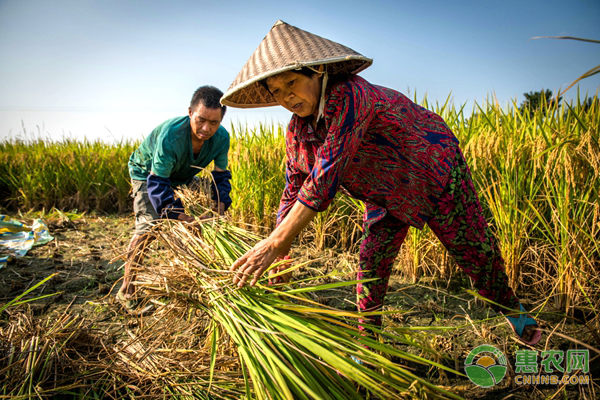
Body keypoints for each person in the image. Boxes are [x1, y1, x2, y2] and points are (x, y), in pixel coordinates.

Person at [222, 21, 542, 345]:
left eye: (291, 82)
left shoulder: (350, 94)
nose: (286, 97)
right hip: (385, 194)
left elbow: (325, 176)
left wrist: (277, 241)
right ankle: (368, 343)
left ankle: (513, 310)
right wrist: (282, 253)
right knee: (370, 265)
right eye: (276, 91)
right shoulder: (297, 131)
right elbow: (294, 186)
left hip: (434, 169)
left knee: (474, 251)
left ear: (317, 70)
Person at [116, 85, 232, 312]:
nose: (206, 128)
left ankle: (207, 278)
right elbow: (158, 184)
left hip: (183, 175)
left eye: (214, 123)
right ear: (190, 112)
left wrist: (219, 206)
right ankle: (127, 289)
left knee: (208, 220)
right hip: (148, 174)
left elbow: (221, 177)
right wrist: (179, 216)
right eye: (201, 120)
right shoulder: (171, 136)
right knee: (149, 227)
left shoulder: (221, 138)